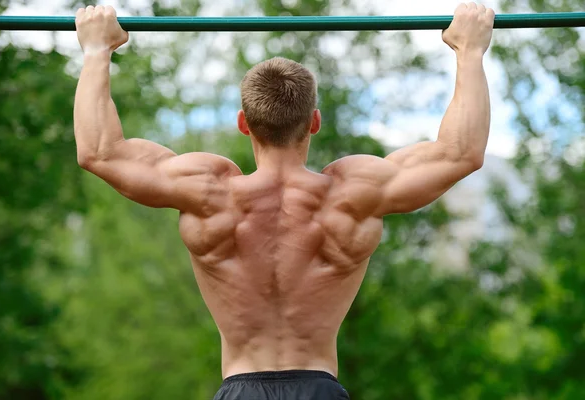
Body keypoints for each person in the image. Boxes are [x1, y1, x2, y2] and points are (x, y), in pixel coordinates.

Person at [73, 2, 494, 399]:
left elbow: (100, 151)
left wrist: (96, 50)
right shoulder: (351, 195)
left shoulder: (209, 193)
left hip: (240, 387)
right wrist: (469, 51)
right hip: (320, 389)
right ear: (314, 121)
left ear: (243, 123)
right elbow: (461, 152)